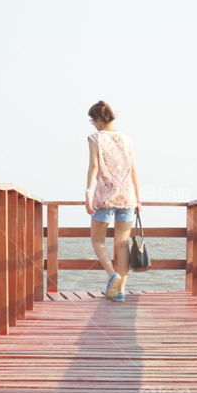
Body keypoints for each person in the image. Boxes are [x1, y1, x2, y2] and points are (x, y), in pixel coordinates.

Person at [85, 100, 142, 301]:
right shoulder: (126, 139)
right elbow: (134, 169)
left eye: (92, 120)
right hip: (127, 197)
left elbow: (93, 167)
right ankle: (120, 292)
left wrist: (88, 193)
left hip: (104, 198)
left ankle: (112, 275)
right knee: (123, 244)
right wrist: (138, 198)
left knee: (97, 240)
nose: (92, 124)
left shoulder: (95, 138)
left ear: (99, 119)